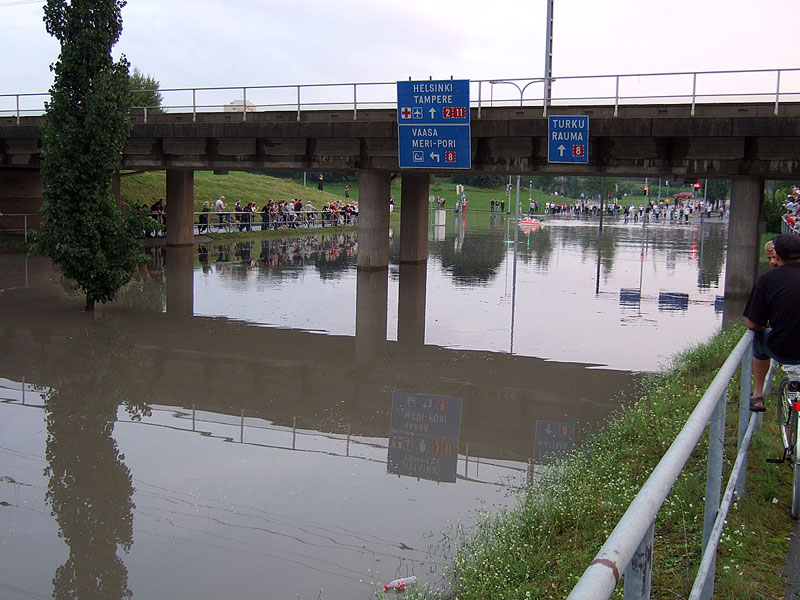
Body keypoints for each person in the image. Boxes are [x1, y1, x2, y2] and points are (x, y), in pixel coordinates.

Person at [743, 233, 800, 411]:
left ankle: (758, 395)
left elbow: (752, 323)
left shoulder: (767, 279)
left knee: (758, 338)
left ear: (777, 256)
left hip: (783, 349)